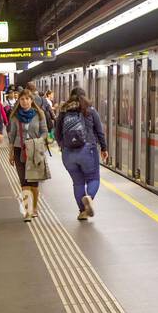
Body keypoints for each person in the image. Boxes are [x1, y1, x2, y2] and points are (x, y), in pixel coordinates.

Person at [55, 86, 108, 221]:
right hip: (87, 150)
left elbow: (57, 133)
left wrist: (63, 146)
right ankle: (89, 197)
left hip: (68, 153)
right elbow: (100, 132)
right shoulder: (90, 111)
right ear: (84, 97)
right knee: (93, 178)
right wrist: (104, 148)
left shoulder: (63, 111)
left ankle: (82, 212)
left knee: (78, 183)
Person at [7, 89, 48, 221]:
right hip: (20, 150)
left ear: (32, 100)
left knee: (34, 182)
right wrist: (11, 152)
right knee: (24, 182)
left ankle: (34, 208)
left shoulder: (39, 114)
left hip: (35, 150)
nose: (24, 102)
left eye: (27, 99)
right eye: (22, 99)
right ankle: (27, 210)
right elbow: (11, 136)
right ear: (19, 101)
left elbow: (44, 132)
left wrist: (38, 142)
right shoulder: (14, 116)